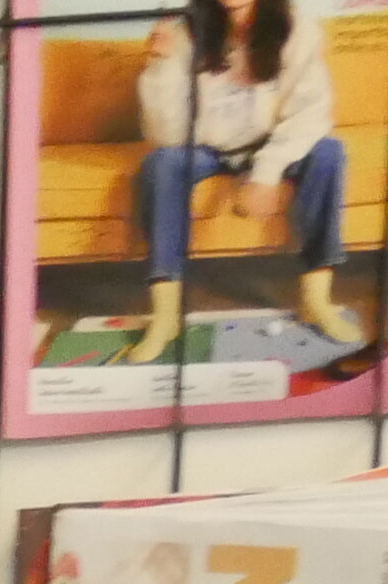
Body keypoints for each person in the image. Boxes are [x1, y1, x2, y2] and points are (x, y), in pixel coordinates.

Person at [124, 1, 364, 365]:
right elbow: (167, 136)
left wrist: (266, 173)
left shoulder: (295, 27)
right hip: (209, 148)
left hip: (272, 142)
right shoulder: (188, 31)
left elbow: (311, 114)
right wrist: (160, 66)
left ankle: (316, 301)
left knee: (329, 152)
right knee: (160, 164)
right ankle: (166, 315)